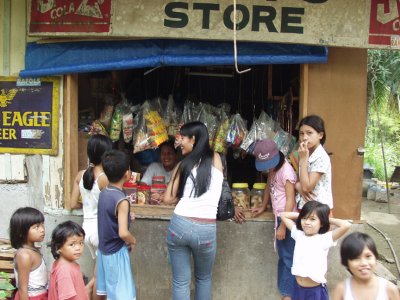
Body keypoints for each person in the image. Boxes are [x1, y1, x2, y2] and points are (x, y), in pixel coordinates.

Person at [163, 121, 223, 300]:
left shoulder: (183, 164)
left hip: (179, 224)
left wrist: (182, 197)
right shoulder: (217, 158)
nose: (179, 142)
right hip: (206, 228)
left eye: (183, 138)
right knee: (204, 278)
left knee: (181, 282)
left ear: (193, 139)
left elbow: (167, 198)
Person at [251, 139, 297, 300]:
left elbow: (290, 201)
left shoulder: (287, 172)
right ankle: (285, 292)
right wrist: (263, 206)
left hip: (288, 221)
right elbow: (268, 187)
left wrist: (283, 226)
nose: (267, 170)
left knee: (288, 259)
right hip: (280, 219)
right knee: (283, 256)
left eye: (269, 165)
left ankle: (288, 296)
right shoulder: (273, 170)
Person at [280, 201, 351, 300]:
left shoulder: (324, 239)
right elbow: (283, 215)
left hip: (314, 292)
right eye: (304, 218)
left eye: (312, 219)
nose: (307, 222)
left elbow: (346, 225)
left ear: (322, 223)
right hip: (297, 288)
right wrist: (302, 215)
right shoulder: (299, 234)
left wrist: (327, 219)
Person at [70, 134, 112, 300]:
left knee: (99, 272)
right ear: (106, 154)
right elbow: (112, 207)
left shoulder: (81, 175)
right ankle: (86, 292)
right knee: (100, 278)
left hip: (86, 229)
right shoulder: (104, 179)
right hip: (101, 231)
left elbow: (73, 203)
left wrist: (89, 207)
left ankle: (88, 291)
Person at [96, 149, 136, 300]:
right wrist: (133, 240)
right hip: (116, 253)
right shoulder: (121, 199)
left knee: (108, 293)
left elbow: (109, 216)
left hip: (103, 251)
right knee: (122, 295)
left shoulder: (104, 192)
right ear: (127, 173)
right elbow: (123, 233)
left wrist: (126, 216)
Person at [333, 232, 400, 300]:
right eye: (356, 258)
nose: (364, 263)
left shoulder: (389, 289)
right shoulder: (341, 290)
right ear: (346, 262)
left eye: (368, 256)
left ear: (375, 257)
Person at [10, 207, 48, 300]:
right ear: (21, 232)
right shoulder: (24, 255)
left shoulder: (33, 250)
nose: (42, 229)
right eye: (36, 227)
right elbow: (23, 289)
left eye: (42, 225)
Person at [295, 115, 332, 211]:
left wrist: (303, 160)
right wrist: (298, 186)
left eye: (309, 133)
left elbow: (307, 187)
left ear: (320, 135)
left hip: (318, 210)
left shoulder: (321, 157)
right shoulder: (305, 152)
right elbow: (300, 181)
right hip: (304, 206)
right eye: (301, 133)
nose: (304, 138)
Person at [48, 221, 89, 300]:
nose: (78, 248)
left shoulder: (64, 264)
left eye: (81, 243)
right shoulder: (64, 270)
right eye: (72, 244)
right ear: (58, 247)